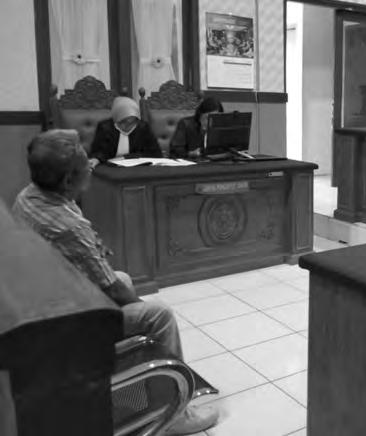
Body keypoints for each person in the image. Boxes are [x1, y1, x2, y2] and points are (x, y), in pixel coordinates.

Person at [12, 130, 219, 435]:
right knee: (157, 314)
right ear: (69, 180)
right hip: (60, 323)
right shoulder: (68, 226)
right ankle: (174, 414)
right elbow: (112, 288)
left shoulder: (28, 197)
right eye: (86, 164)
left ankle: (140, 377)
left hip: (36, 302)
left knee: (123, 278)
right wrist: (140, 313)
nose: (90, 167)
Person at [89, 96, 162, 167]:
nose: (127, 127)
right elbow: (97, 152)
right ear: (116, 119)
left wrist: (126, 157)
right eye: (124, 122)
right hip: (111, 168)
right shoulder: (105, 127)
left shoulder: (143, 128)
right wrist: (96, 159)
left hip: (137, 169)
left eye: (132, 123)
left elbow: (155, 153)